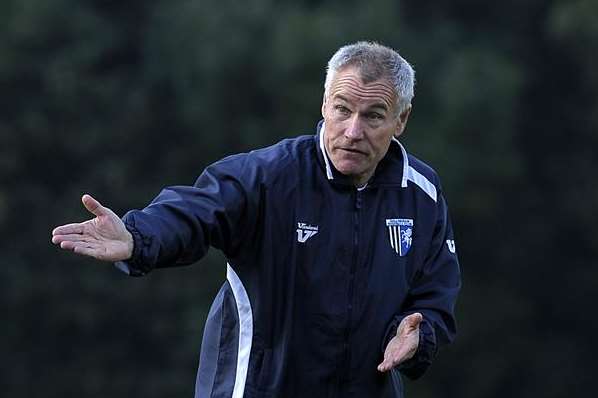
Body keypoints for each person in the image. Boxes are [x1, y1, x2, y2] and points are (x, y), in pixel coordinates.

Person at [52, 41, 461, 398]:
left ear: (401, 120)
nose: (353, 130)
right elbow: (195, 211)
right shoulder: (268, 175)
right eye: (342, 109)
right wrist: (137, 236)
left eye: (373, 116)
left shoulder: (421, 193)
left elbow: (436, 294)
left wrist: (419, 336)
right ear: (323, 105)